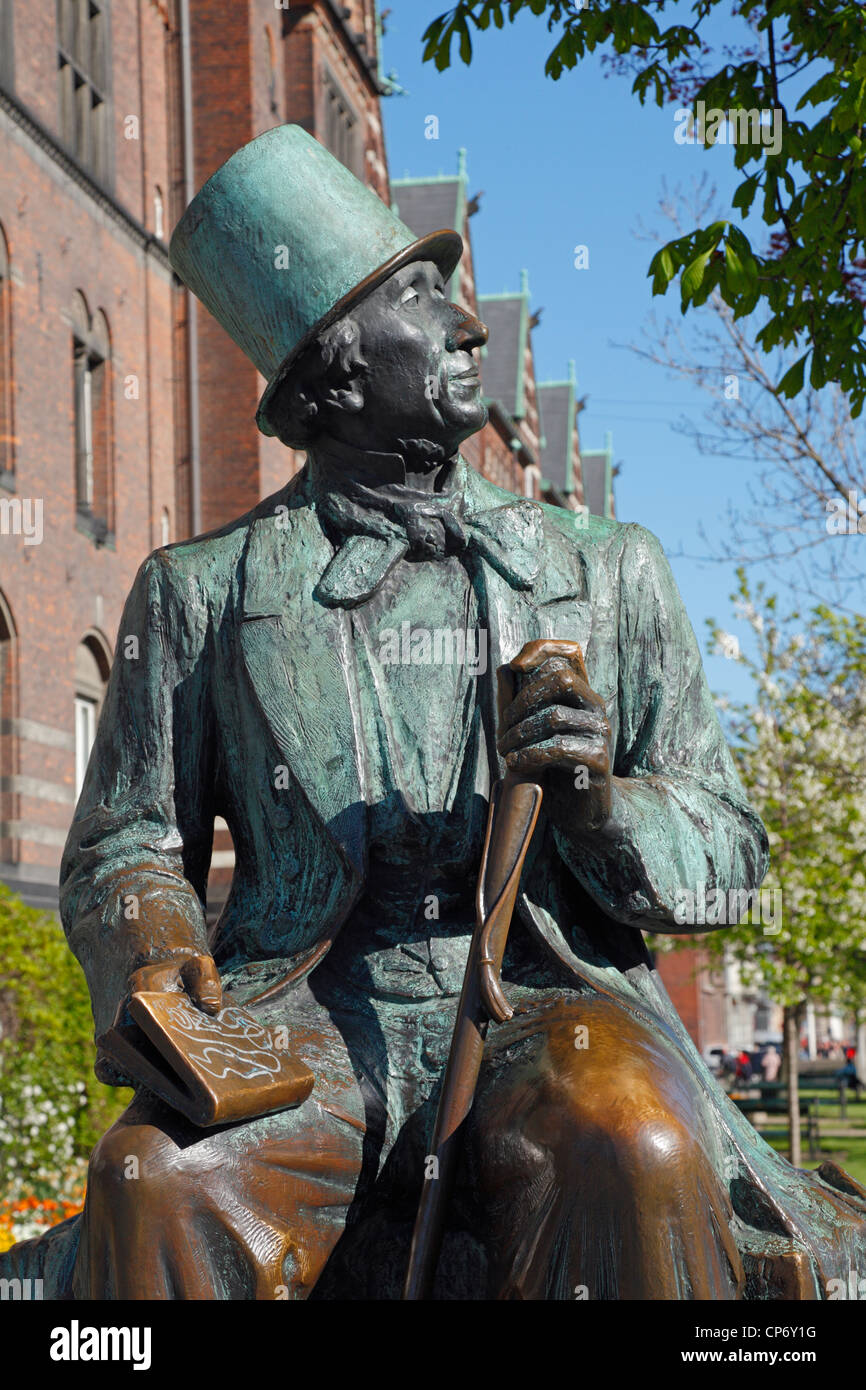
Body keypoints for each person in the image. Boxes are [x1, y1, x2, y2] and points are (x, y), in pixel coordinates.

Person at [4, 125, 865, 1301]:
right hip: (297, 1015)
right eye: (423, 297)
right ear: (337, 369)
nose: (470, 327)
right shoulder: (203, 590)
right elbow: (125, 842)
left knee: (633, 1139)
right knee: (155, 1178)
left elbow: (727, 847)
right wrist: (157, 954)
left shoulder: (606, 569)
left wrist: (602, 808)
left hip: (545, 1004)